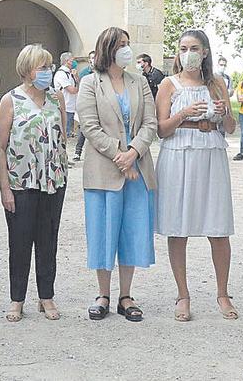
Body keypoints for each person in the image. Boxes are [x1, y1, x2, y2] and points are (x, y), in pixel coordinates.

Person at [155, 30, 238, 322]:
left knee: (218, 226)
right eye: (183, 48)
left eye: (193, 48)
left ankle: (222, 292)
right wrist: (184, 113)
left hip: (210, 151)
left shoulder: (216, 83)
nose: (187, 52)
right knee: (178, 226)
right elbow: (161, 129)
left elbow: (230, 127)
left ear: (204, 52)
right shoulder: (168, 84)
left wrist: (224, 112)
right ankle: (183, 294)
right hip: (178, 152)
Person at [77, 27, 158, 323]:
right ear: (108, 49)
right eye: (121, 44)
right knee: (103, 231)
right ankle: (103, 294)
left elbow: (150, 123)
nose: (127, 49)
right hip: (104, 171)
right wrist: (119, 156)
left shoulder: (140, 82)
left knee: (132, 231)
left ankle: (126, 295)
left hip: (138, 169)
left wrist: (133, 153)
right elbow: (89, 126)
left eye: (128, 44)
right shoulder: (89, 83)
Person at [0, 44, 68, 322]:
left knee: (48, 240)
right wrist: (4, 188)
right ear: (27, 70)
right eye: (42, 67)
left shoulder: (56, 99)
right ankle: (17, 299)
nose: (47, 72)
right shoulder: (11, 100)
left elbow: (61, 138)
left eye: (49, 67)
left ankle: (46, 296)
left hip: (53, 181)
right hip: (21, 182)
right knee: (20, 241)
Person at [73, 50, 96, 162]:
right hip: (86, 103)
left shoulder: (103, 72)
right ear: (89, 60)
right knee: (83, 129)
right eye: (92, 58)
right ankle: (78, 152)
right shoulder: (84, 73)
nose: (94, 60)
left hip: (99, 104)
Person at [54, 51, 79, 141]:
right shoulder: (61, 74)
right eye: (72, 60)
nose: (74, 63)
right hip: (66, 106)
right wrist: (77, 84)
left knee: (71, 132)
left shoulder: (70, 73)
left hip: (72, 106)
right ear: (67, 61)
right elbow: (72, 90)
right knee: (66, 135)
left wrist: (76, 78)